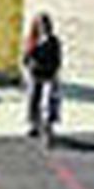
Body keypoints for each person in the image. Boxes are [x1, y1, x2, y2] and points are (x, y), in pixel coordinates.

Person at [22, 13, 63, 146]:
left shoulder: (53, 41)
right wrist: (30, 66)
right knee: (33, 100)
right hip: (36, 75)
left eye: (45, 25)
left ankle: (48, 128)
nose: (44, 28)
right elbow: (26, 58)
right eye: (41, 25)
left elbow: (57, 59)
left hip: (49, 75)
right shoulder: (32, 41)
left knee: (49, 102)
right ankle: (34, 125)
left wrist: (54, 72)